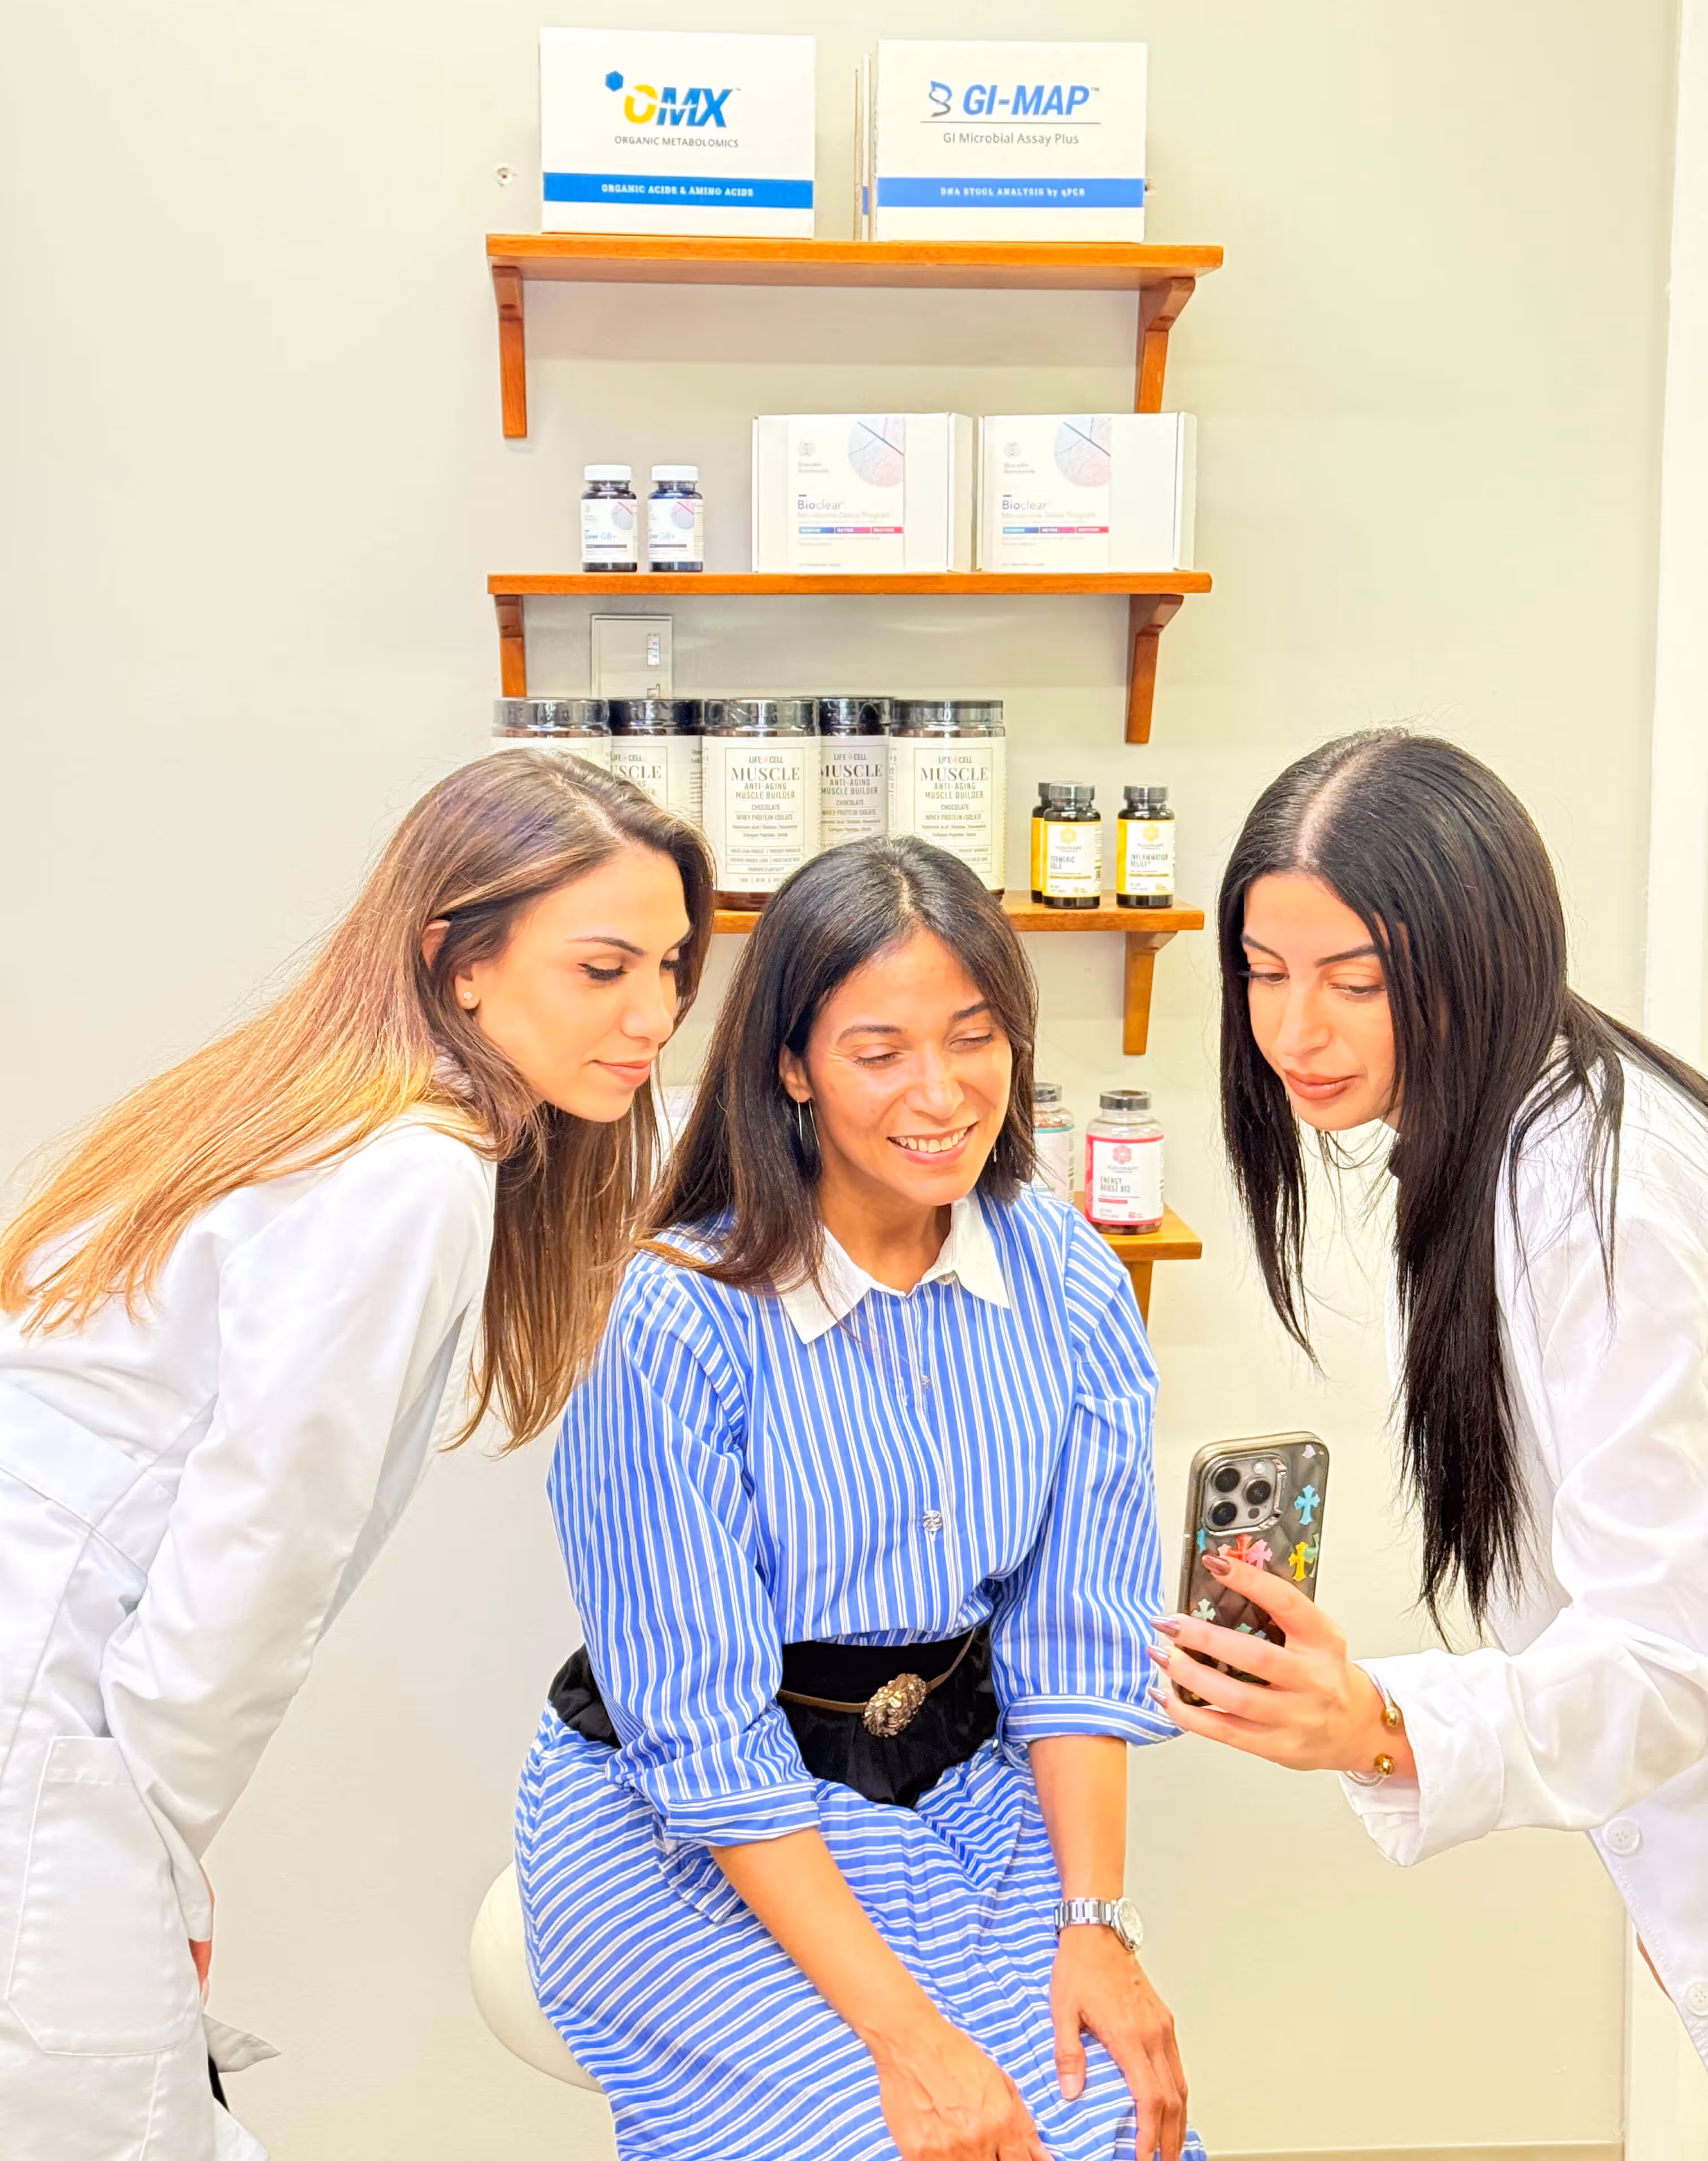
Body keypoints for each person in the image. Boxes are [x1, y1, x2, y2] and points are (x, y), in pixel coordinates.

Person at [0, 750, 713, 2161]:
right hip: (50, 1744)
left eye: (673, 966)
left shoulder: (311, 1111)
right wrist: (159, 1871)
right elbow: (257, 1561)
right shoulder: (409, 1171)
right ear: (459, 961)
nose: (655, 1016)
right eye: (604, 969)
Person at [517, 835, 1202, 2161]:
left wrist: (1097, 1928)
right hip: (699, 1838)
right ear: (792, 1066)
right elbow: (702, 1735)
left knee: (1109, 2123)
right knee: (900, 2136)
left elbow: (1075, 1643)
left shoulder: (1065, 1273)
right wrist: (910, 2039)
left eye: (974, 1038)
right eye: (879, 1052)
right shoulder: (675, 1318)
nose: (940, 1093)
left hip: (963, 1802)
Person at [1148, 729, 1708, 2067]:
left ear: (1481, 953)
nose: (1295, 1031)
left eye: (1357, 981)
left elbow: (1670, 1651)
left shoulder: (1604, 1204)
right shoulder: (1503, 1143)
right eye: (1265, 973)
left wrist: (1381, 1725)